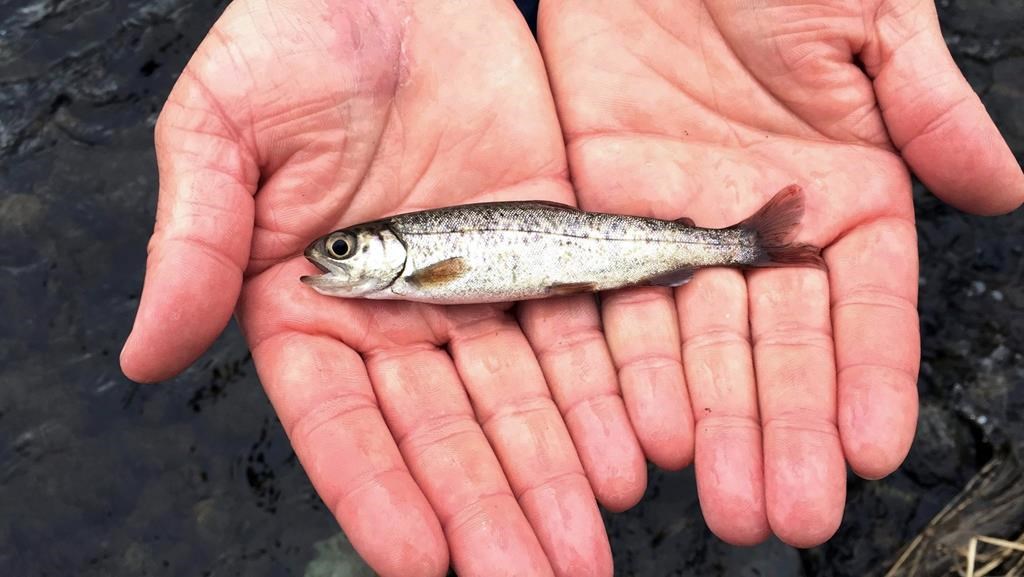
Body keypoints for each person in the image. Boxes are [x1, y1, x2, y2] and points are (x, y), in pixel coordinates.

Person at [119, 1, 1024, 576]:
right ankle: (743, 245)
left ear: (389, 248)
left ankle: (744, 244)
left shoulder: (419, 270)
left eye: (348, 249)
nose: (339, 264)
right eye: (345, 252)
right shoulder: (401, 271)